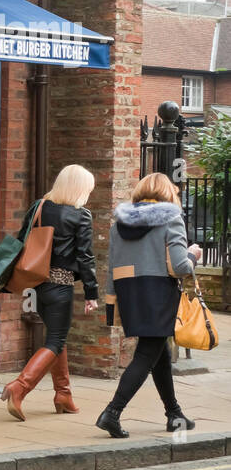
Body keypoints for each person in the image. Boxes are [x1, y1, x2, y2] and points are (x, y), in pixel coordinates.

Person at [97, 173, 201, 438]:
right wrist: (194, 254)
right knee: (146, 354)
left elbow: (111, 268)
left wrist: (111, 303)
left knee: (159, 352)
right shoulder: (171, 218)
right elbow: (180, 267)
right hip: (158, 293)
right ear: (168, 194)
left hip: (129, 293)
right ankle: (112, 412)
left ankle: (173, 413)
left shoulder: (118, 224)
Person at [1, 164, 100, 420]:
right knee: (55, 340)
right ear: (79, 189)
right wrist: (92, 293)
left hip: (38, 284)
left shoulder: (39, 207)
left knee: (58, 338)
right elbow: (86, 257)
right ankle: (19, 387)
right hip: (61, 285)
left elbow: (23, 241)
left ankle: (63, 395)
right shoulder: (81, 215)